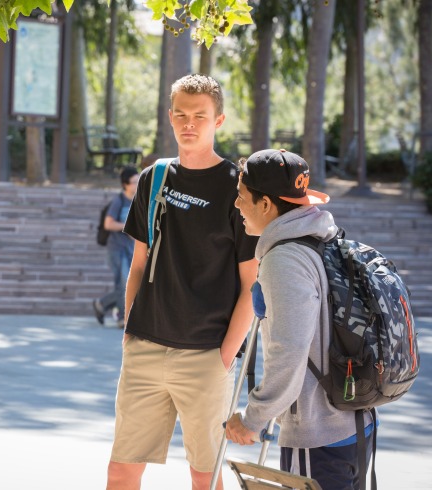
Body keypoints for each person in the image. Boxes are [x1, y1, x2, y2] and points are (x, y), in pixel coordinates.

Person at [106, 74, 259, 490]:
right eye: (181, 115)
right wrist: (130, 329)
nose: (189, 123)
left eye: (200, 116)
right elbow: (138, 263)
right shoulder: (153, 178)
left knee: (203, 477)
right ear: (170, 117)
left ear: (218, 120)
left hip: (206, 356)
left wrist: (225, 355)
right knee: (121, 469)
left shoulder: (237, 187)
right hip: (145, 347)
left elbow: (252, 283)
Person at [225, 148, 375, 489]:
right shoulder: (321, 240)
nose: (236, 206)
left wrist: (253, 419)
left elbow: (289, 352)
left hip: (319, 433)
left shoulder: (285, 260)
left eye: (241, 197)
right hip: (353, 424)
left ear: (266, 204)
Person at [93, 165, 140, 329]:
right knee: (124, 282)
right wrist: (127, 226)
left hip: (131, 248)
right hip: (116, 248)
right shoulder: (118, 201)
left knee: (129, 283)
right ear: (125, 184)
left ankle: (102, 304)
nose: (137, 185)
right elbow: (108, 224)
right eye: (134, 182)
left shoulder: (139, 201)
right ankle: (122, 317)